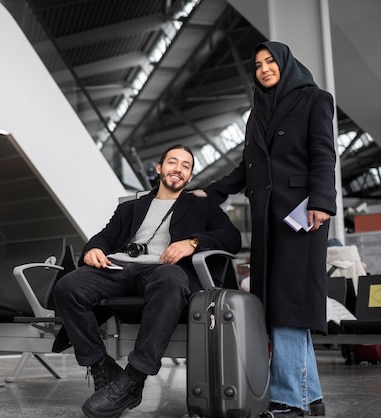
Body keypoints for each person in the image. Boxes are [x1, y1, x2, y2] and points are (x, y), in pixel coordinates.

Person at [195, 41, 336, 417]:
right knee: (275, 305)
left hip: (303, 217)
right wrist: (213, 191)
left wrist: (322, 201)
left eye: (270, 61)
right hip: (266, 218)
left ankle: (290, 400)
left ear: (286, 63)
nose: (264, 69)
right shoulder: (256, 115)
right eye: (257, 65)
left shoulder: (315, 100)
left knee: (291, 304)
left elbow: (324, 153)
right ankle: (311, 399)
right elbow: (247, 168)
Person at [52, 144, 241, 418]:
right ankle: (100, 366)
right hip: (119, 267)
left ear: (189, 177)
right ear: (160, 168)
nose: (178, 169)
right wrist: (93, 249)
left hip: (164, 270)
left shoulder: (203, 207)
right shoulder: (131, 207)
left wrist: (193, 242)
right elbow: (106, 236)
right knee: (68, 286)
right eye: (173, 162)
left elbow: (232, 238)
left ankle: (133, 377)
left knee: (172, 280)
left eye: (185, 166)